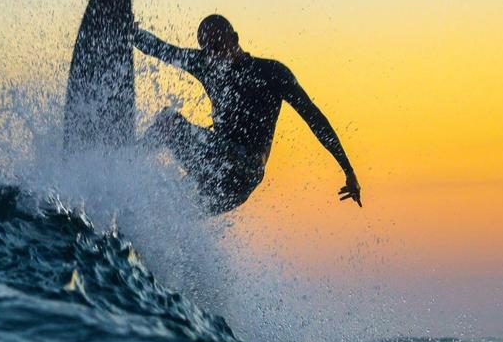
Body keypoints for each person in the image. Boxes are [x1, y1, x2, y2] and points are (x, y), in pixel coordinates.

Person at [131, 14, 361, 214]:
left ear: (235, 38)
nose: (215, 52)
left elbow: (314, 118)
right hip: (215, 168)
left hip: (244, 171)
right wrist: (132, 32)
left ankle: (127, 157)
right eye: (209, 48)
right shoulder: (207, 65)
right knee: (164, 209)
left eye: (219, 44)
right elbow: (162, 50)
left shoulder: (271, 72)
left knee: (169, 122)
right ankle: (123, 180)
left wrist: (347, 170)